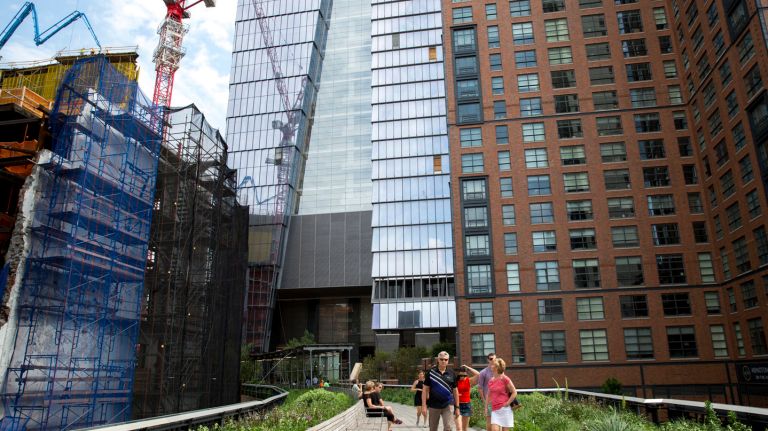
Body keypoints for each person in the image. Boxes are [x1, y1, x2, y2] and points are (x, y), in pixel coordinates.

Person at [423, 351, 460, 431]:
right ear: (438, 360)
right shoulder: (431, 372)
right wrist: (424, 406)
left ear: (448, 360)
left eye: (446, 359)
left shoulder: (452, 373)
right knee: (433, 429)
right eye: (441, 359)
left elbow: (455, 391)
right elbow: (425, 390)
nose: (443, 361)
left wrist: (457, 407)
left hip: (448, 405)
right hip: (433, 405)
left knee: (448, 428)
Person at [487, 358, 517, 431]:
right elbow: (489, 395)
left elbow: (514, 392)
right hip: (494, 410)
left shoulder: (505, 379)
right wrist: (486, 407)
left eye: (493, 364)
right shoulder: (491, 380)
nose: (491, 366)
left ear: (497, 367)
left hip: (505, 409)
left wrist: (507, 403)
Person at [455, 365, 481, 431]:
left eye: (464, 375)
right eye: (461, 375)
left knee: (464, 429)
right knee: (459, 428)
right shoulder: (455, 382)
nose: (463, 377)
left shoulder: (469, 381)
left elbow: (479, 374)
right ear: (458, 374)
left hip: (467, 406)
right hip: (458, 406)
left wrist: (468, 367)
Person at [475, 353, 497, 431]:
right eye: (491, 359)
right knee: (489, 421)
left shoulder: (498, 371)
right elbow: (480, 388)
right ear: (488, 360)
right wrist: (484, 401)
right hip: (489, 401)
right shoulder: (483, 372)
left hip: (499, 400)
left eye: (494, 359)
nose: (493, 360)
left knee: (499, 422)